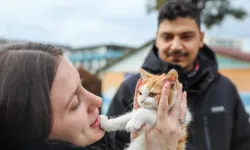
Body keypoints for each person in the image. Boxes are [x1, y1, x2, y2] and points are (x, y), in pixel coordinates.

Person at [107, 1, 250, 150]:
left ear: (201, 39)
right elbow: (109, 145)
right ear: (157, 39)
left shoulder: (225, 88)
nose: (176, 46)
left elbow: (244, 144)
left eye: (186, 37)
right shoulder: (131, 88)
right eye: (167, 37)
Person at [0, 42, 187, 150]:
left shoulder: (102, 140)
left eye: (82, 85)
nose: (97, 100)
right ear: (34, 130)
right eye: (74, 104)